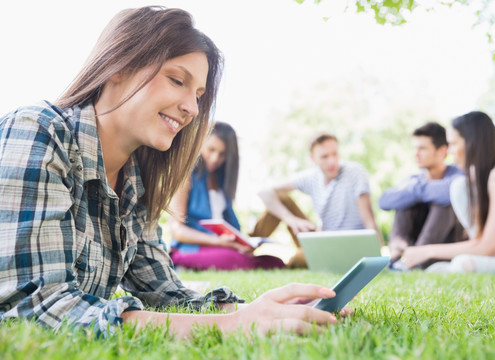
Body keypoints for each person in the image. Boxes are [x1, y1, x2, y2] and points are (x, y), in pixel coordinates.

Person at [0, 6, 348, 339]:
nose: (192, 109)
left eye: (198, 94)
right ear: (117, 66)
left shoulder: (136, 179)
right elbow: (38, 307)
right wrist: (234, 326)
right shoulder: (37, 132)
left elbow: (164, 291)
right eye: (177, 80)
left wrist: (260, 309)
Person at [401, 111, 495, 274]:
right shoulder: (482, 172)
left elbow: (488, 246)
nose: (449, 151)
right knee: (459, 186)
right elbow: (483, 241)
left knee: (463, 264)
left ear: (471, 143)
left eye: (453, 144)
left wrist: (426, 251)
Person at [168, 121, 285, 270]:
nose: (215, 158)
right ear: (200, 143)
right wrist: (218, 242)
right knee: (236, 260)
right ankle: (183, 264)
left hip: (221, 248)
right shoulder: (185, 176)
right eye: (211, 150)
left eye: (222, 154)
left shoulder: (222, 181)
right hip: (189, 249)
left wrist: (241, 243)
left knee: (275, 262)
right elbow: (176, 230)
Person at [256, 133, 383, 268]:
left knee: (297, 260)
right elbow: (264, 192)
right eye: (324, 157)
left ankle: (295, 259)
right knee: (280, 198)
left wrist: (378, 256)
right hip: (324, 239)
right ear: (313, 158)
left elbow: (369, 220)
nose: (332, 161)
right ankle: (247, 246)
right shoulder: (311, 177)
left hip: (349, 245)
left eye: (335, 154)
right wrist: (290, 219)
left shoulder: (354, 172)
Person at [378, 122, 464, 265]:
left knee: (443, 201)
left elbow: (446, 193)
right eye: (415, 148)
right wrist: (416, 191)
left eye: (422, 148)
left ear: (442, 151)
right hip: (412, 242)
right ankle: (396, 254)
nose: (416, 154)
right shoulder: (414, 179)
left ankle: (418, 258)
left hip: (448, 244)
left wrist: (415, 189)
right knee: (404, 202)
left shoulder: (457, 175)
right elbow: (384, 201)